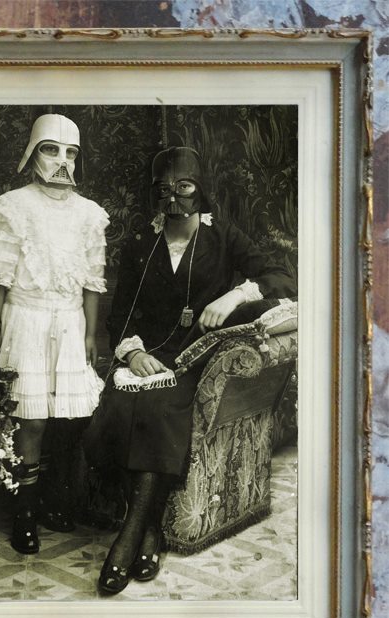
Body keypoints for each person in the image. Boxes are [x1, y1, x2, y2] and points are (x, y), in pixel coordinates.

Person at [84, 146, 295, 595]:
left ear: (200, 189)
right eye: (164, 190)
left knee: (159, 409)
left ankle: (127, 540)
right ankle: (151, 534)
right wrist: (133, 354)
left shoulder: (224, 237)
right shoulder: (140, 245)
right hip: (148, 358)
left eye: (184, 187)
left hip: (196, 358)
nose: (174, 198)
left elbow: (281, 277)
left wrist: (233, 297)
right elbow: (120, 315)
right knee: (121, 405)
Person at [0, 113, 109, 555]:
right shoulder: (13, 207)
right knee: (30, 419)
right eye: (51, 150)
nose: (62, 161)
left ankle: (53, 499)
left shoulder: (90, 214)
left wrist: (90, 333)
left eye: (71, 152)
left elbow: (93, 280)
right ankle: (25, 513)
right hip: (25, 320)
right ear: (33, 153)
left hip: (70, 322)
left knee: (66, 418)